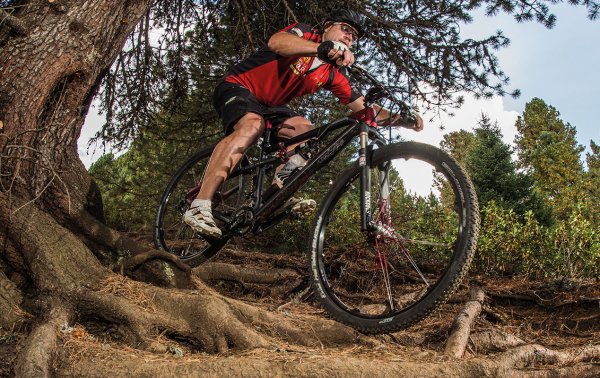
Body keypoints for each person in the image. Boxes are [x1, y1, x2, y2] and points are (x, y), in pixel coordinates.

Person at [184, 9, 424, 238]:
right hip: (240, 86)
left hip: (271, 107)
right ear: (327, 27)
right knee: (251, 126)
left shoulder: (331, 74)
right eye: (346, 29)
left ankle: (278, 193)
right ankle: (199, 204)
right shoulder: (307, 34)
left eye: (354, 36)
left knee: (306, 133)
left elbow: (365, 109)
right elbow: (277, 42)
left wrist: (402, 119)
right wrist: (320, 48)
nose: (350, 37)